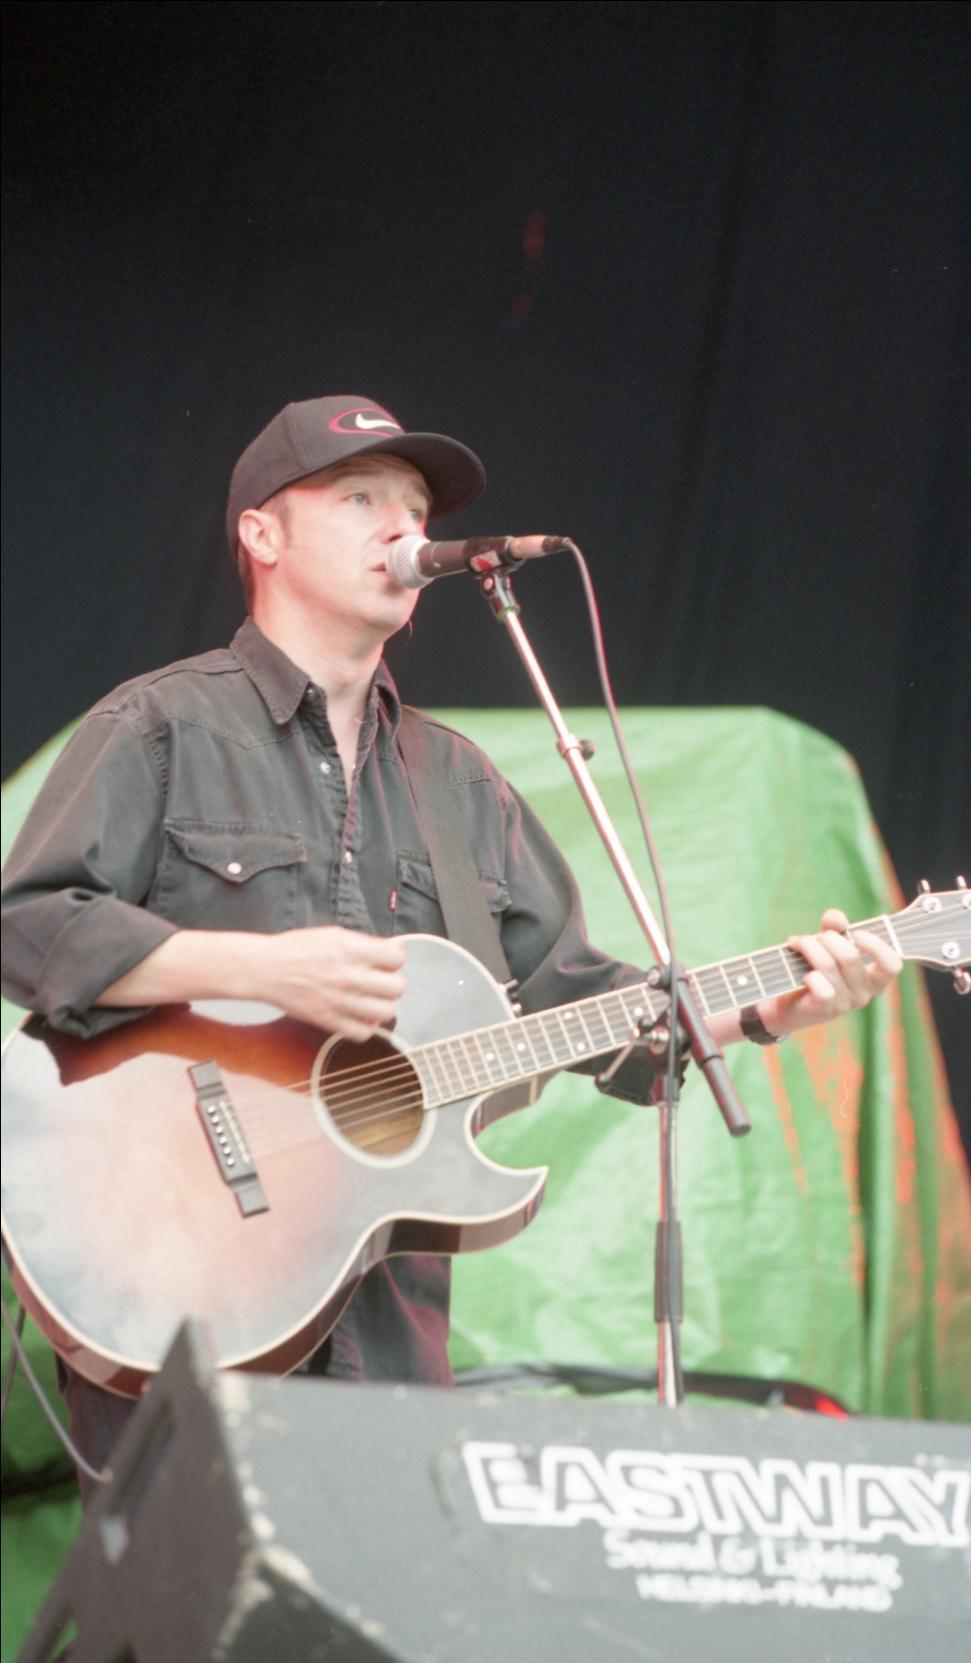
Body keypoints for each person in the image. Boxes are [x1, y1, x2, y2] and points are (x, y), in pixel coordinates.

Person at [0, 394, 902, 1498]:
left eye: (416, 509)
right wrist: (253, 967)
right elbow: (27, 924)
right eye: (360, 498)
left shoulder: (458, 784)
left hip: (387, 1331)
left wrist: (772, 1006)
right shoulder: (160, 725)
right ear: (262, 534)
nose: (402, 527)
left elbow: (586, 1008)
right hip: (174, 1276)